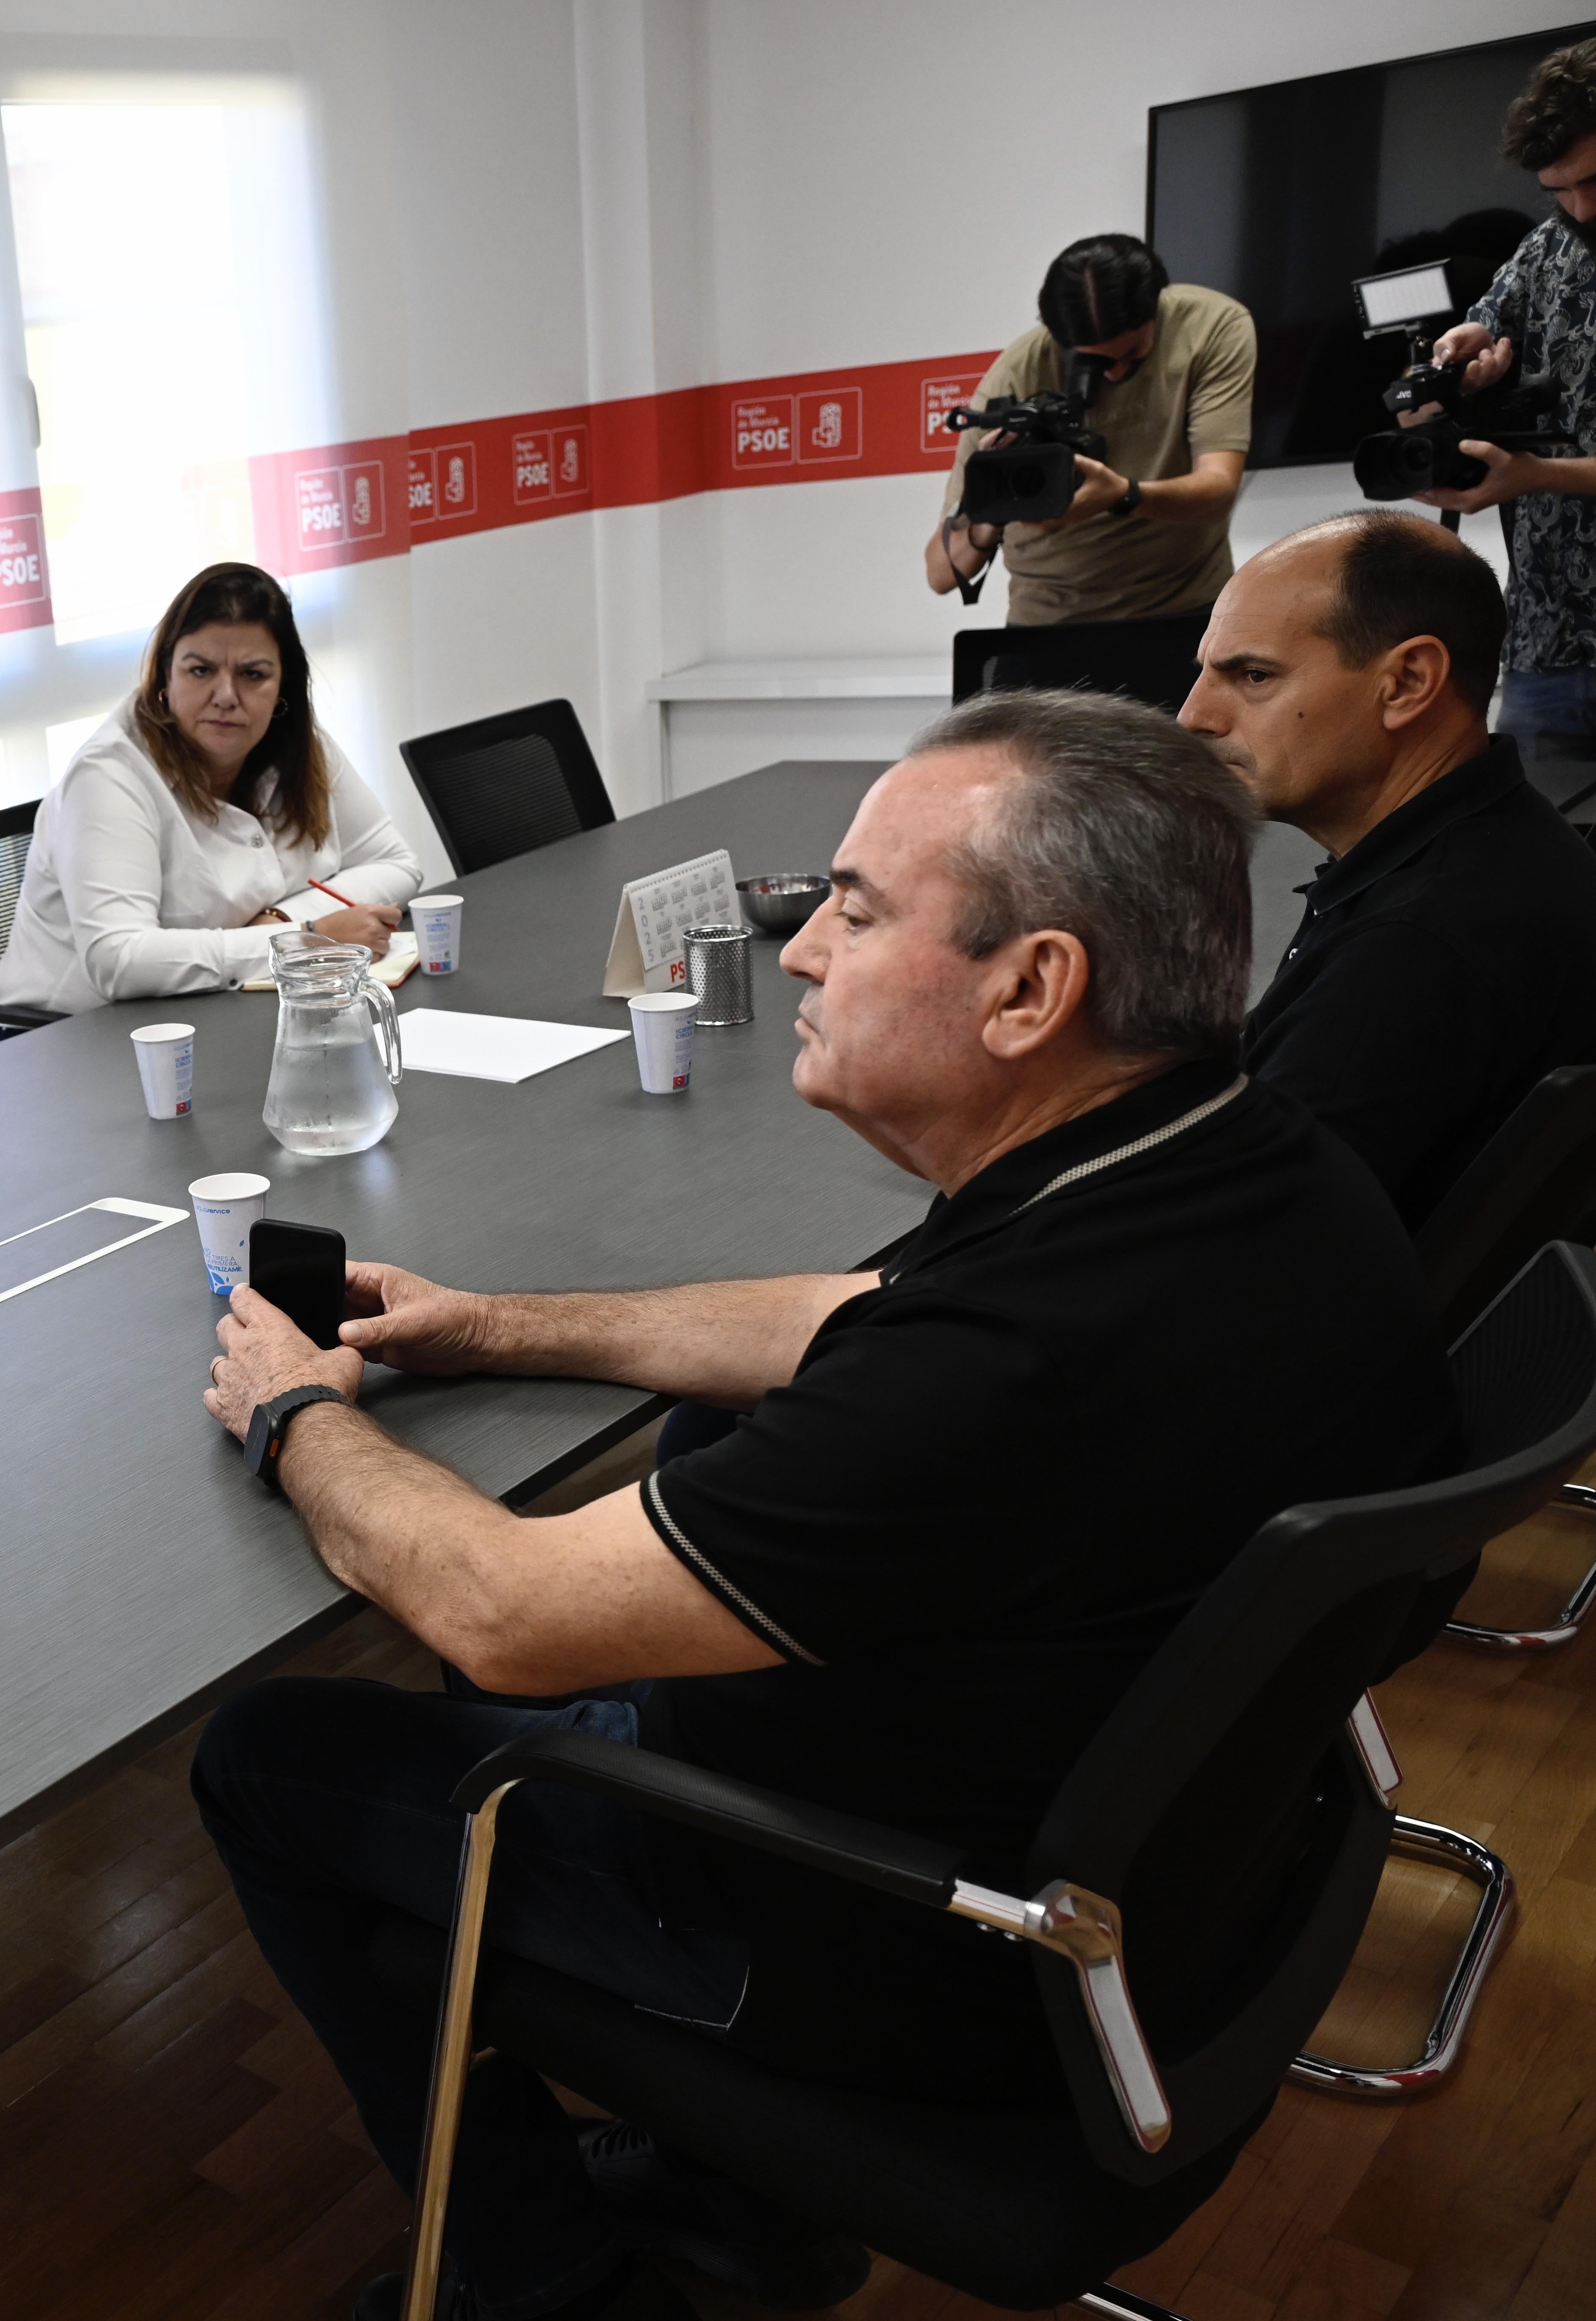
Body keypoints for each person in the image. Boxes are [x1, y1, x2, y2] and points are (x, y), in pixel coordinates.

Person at [189, 693, 1458, 2321]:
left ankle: (542, 2280)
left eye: (852, 916)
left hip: (888, 1930)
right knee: (653, 1510)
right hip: (1166, 1878)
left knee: (264, 1753)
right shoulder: (1236, 1164)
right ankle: (733, 2203)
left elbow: (498, 1613)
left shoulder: (1005, 1368)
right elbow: (854, 1316)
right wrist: (492, 1323)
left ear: (1029, 989)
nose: (795, 952)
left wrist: (289, 1409)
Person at [1182, 509, 1596, 1230]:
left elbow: (1235, 1238)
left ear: (1407, 681)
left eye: (1252, 675)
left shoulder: (1420, 942)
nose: (1194, 716)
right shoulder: (1481, 849)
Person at [0, 562, 420, 1014]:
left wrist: (282, 919)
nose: (226, 696)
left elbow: (395, 864)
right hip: (66, 1034)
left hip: (213, 1009)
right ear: (165, 676)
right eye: (200, 670)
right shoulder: (108, 776)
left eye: (253, 674)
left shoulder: (296, 744)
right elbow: (119, 960)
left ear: (283, 686)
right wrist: (304, 940)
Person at [1413, 38, 1596, 789]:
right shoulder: (1550, 246)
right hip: (1550, 637)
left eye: (1594, 181)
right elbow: (1485, 322)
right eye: (1559, 190)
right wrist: (1462, 352)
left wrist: (1534, 476)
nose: (1582, 208)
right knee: (1538, 849)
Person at [923, 234, 1253, 628]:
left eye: (1132, 354)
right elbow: (941, 574)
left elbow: (1217, 490)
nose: (1114, 373)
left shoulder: (1209, 328)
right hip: (1046, 623)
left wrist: (1123, 495)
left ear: (1157, 309)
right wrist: (996, 508)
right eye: (1094, 363)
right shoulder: (1017, 376)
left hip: (1182, 607)